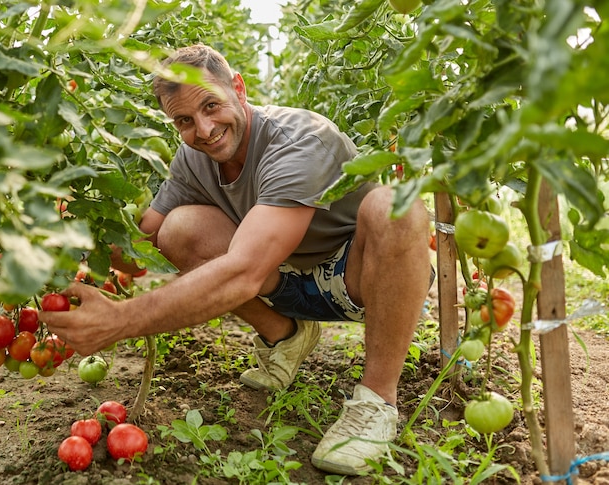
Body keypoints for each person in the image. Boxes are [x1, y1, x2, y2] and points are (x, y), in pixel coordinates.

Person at [42, 44, 432, 475]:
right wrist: (62, 240)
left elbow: (244, 272)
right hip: (282, 281)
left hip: (355, 280)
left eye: (211, 106)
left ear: (239, 89)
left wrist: (120, 320)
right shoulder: (193, 159)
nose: (205, 130)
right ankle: (286, 337)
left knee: (397, 207)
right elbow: (144, 242)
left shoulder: (300, 139)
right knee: (178, 227)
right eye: (185, 121)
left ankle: (376, 401)